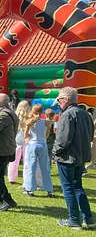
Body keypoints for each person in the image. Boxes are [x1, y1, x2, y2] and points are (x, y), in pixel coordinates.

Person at [52, 87, 94, 229]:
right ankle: (88, 218)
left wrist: (55, 152)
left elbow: (63, 140)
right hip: (80, 157)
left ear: (65, 100)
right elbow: (89, 136)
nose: (58, 103)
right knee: (77, 187)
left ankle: (74, 219)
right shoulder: (86, 115)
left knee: (68, 187)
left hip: (67, 157)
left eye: (59, 100)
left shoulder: (67, 115)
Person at [23, 104, 53, 197]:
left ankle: (30, 189)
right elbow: (46, 135)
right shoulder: (47, 122)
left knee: (31, 167)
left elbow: (25, 135)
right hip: (42, 144)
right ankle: (49, 190)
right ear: (42, 112)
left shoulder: (29, 122)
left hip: (33, 144)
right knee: (45, 167)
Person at [7, 101, 31, 184]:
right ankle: (26, 180)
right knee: (27, 162)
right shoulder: (30, 117)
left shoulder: (15, 116)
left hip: (16, 139)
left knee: (13, 161)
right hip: (27, 140)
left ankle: (11, 178)